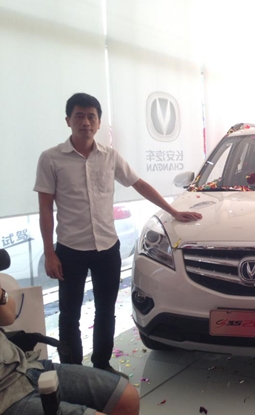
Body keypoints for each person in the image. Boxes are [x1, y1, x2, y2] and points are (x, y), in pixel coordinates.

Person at [33, 93, 202, 375]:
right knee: (69, 314)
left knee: (105, 311)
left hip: (107, 248)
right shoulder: (51, 158)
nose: (86, 122)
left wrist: (173, 211)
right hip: (70, 250)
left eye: (91, 117)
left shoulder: (109, 157)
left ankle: (102, 366)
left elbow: (139, 184)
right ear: (68, 120)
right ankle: (73, 372)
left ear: (99, 123)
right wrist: (49, 253)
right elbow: (45, 209)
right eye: (79, 116)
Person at [1, 280, 140, 415]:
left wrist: (1, 295)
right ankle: (74, 362)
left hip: (23, 367)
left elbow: (9, 316)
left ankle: (102, 362)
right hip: (4, 396)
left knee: (128, 398)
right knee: (70, 315)